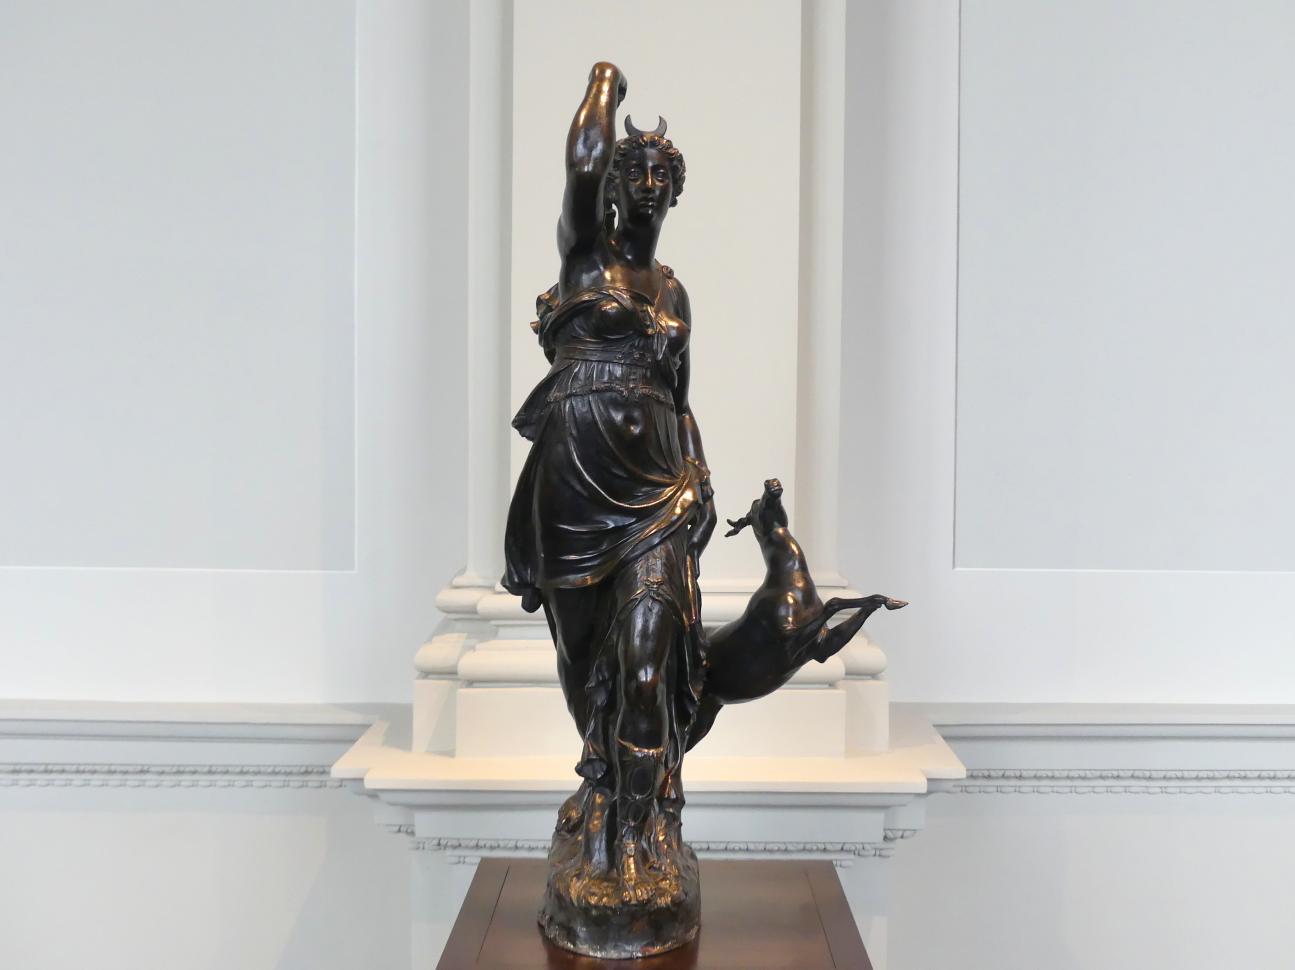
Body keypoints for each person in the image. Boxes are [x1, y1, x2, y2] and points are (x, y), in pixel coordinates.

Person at [502, 60, 716, 916]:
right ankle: (598, 787)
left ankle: (638, 839)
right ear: (618, 188)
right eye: (638, 172)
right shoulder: (586, 259)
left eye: (663, 176)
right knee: (580, 655)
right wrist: (603, 86)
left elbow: (680, 397)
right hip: (572, 481)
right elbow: (582, 164)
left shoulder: (674, 290)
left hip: (657, 491)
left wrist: (699, 473)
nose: (649, 186)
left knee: (643, 664)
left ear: (675, 194)